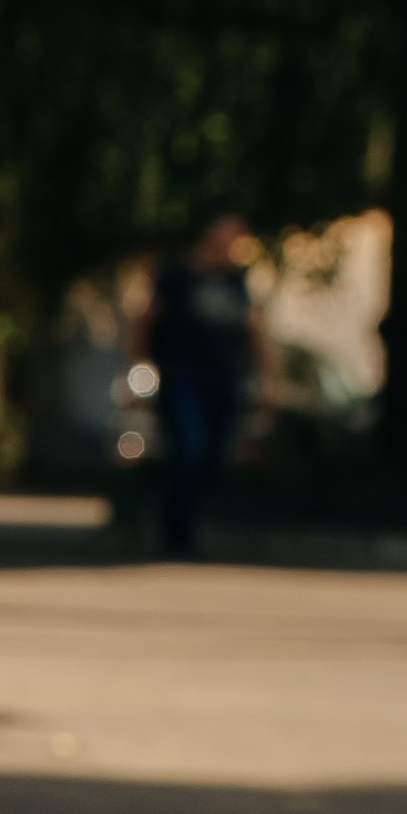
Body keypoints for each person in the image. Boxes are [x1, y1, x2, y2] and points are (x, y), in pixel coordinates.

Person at [141, 213, 268, 557]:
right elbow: (146, 320)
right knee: (188, 449)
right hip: (183, 378)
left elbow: (256, 331)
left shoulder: (238, 281)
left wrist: (267, 378)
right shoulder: (176, 276)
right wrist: (137, 367)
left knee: (215, 457)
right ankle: (177, 534)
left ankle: (184, 520)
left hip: (227, 379)